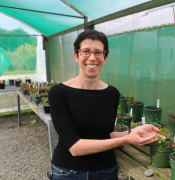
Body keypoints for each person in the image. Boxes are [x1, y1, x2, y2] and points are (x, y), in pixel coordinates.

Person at [47, 30, 165, 180]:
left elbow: (106, 134)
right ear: (76, 55)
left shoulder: (112, 93)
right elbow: (75, 147)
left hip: (106, 171)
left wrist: (134, 132)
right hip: (70, 172)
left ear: (105, 57)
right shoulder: (59, 93)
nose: (92, 58)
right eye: (86, 51)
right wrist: (126, 140)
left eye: (98, 52)